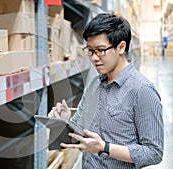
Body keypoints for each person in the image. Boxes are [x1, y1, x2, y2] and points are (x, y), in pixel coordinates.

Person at [48, 13, 164, 168]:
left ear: (121, 47)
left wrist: (105, 147)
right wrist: (65, 121)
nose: (94, 58)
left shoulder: (142, 91)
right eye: (90, 50)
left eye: (100, 50)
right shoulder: (95, 84)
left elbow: (154, 152)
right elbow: (81, 132)